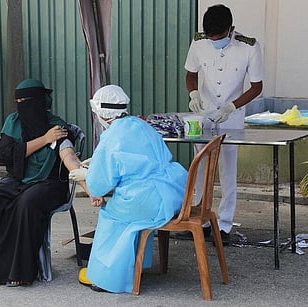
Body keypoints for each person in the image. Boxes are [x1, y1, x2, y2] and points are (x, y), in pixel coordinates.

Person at [0, 79, 95, 286]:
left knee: (27, 202)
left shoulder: (57, 127)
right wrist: (45, 139)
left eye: (26, 100)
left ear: (39, 102)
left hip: (51, 183)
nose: (22, 105)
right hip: (18, 178)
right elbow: (9, 156)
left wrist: (89, 189)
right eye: (18, 100)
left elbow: (71, 159)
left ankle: (20, 271)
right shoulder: (13, 122)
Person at [71, 85, 188, 293]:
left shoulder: (110, 137)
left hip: (146, 200)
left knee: (111, 215)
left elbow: (99, 185)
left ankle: (107, 277)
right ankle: (137, 266)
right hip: (172, 192)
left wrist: (87, 174)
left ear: (101, 113)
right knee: (126, 208)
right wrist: (97, 163)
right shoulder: (140, 124)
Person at [183, 4, 263, 245]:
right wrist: (193, 93)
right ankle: (198, 220)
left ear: (231, 29)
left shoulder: (249, 47)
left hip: (232, 116)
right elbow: (190, 73)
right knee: (199, 167)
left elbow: (257, 86)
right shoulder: (198, 42)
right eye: (210, 38)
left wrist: (232, 107)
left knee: (228, 170)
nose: (213, 41)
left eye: (219, 38)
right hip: (204, 114)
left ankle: (225, 224)